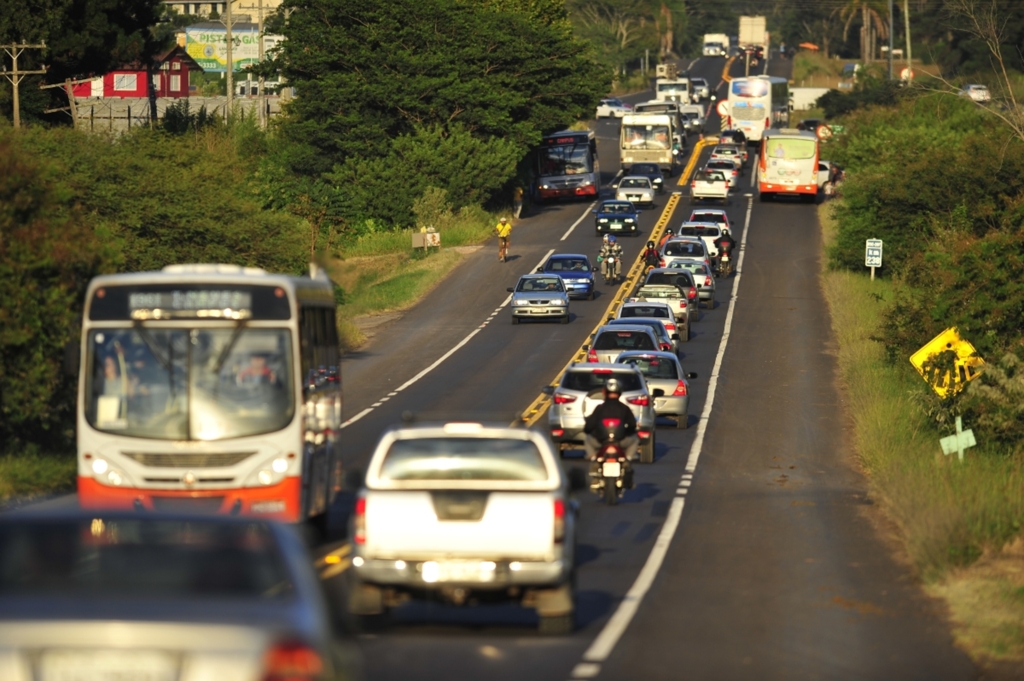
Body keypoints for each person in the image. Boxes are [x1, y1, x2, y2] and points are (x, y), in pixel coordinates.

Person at [583, 378, 639, 487]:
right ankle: (628, 458)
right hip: (620, 441)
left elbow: (589, 426)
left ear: (605, 392)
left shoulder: (600, 408)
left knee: (588, 440)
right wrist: (627, 432)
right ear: (619, 393)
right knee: (634, 440)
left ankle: (594, 459)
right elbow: (632, 425)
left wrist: (590, 431)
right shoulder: (624, 408)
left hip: (601, 441)